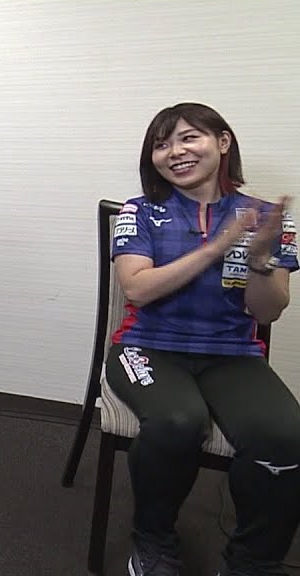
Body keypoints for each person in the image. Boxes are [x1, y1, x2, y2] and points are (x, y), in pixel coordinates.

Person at [109, 103, 300, 576]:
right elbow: (137, 288)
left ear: (223, 142)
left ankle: (252, 562)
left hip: (232, 354)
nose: (175, 152)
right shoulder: (140, 211)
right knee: (177, 422)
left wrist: (259, 261)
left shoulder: (265, 218)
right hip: (146, 347)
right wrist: (217, 247)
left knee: (286, 436)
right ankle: (153, 544)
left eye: (188, 138)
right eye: (161, 144)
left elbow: (268, 311)